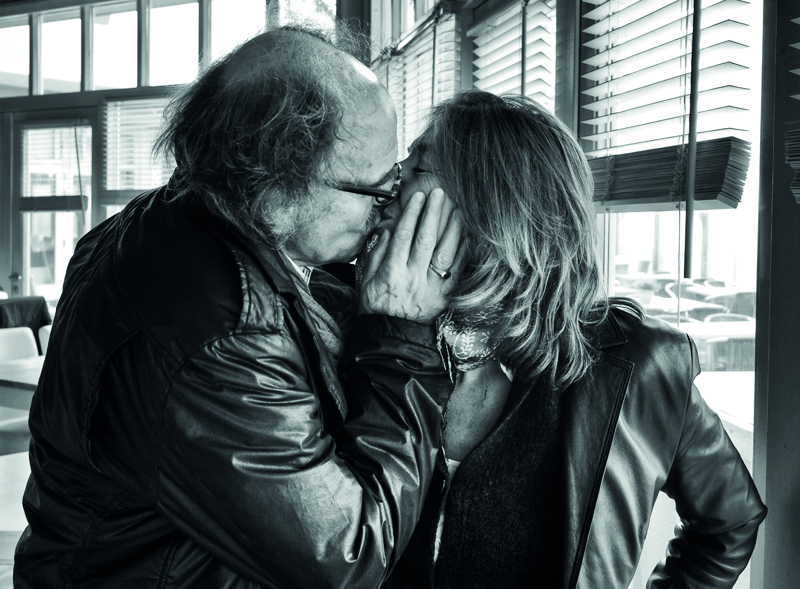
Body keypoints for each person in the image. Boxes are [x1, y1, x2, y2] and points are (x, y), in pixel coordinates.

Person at [14, 26, 463, 589]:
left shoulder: (162, 221)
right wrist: (402, 342)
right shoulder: (222, 334)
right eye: (376, 188)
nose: (389, 203)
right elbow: (348, 556)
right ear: (281, 187)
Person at [356, 90, 768, 589]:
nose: (387, 184)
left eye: (416, 165)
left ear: (492, 204)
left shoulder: (642, 365)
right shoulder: (355, 334)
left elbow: (730, 523)